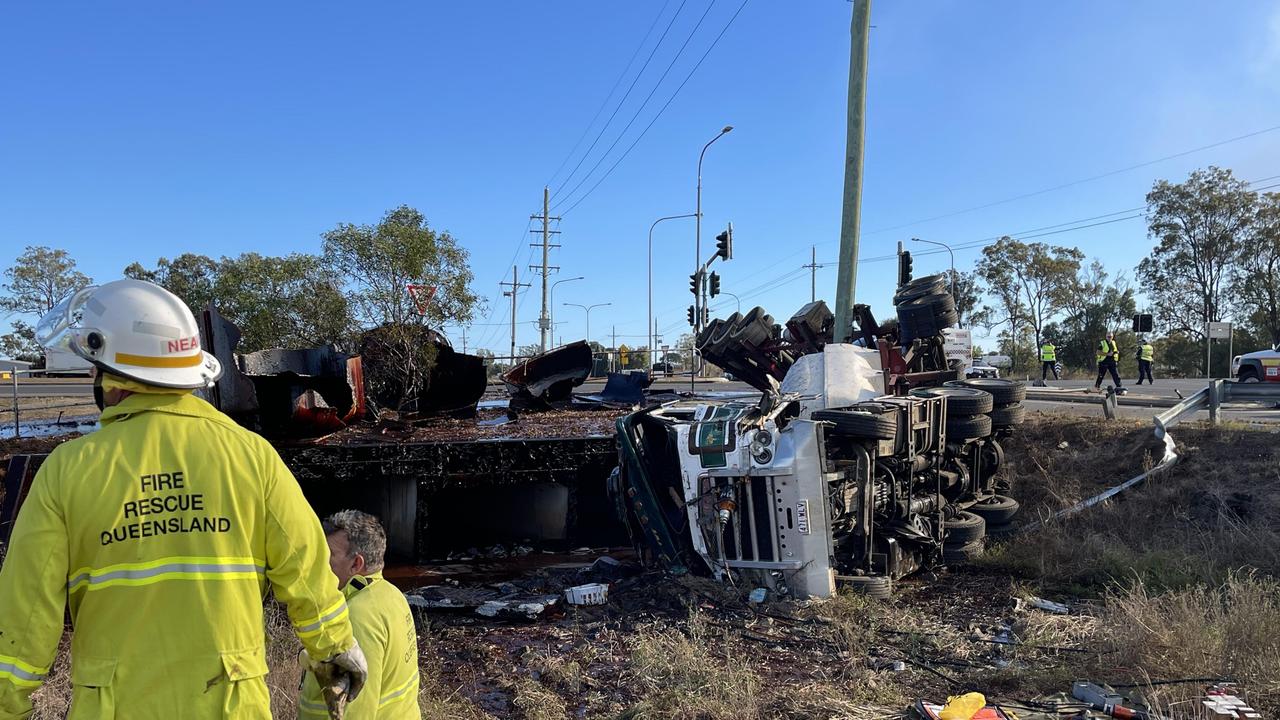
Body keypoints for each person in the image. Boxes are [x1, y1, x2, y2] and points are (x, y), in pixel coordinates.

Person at [0, 279, 366, 719]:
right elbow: (305, 568)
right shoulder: (250, 455)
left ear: (111, 375)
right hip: (232, 704)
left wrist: (9, 703)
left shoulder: (67, 470)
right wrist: (335, 649)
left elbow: (24, 613)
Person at [299, 511, 420, 719]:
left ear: (356, 564)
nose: (318, 564)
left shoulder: (357, 616)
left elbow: (356, 709)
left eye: (328, 556)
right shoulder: (391, 594)